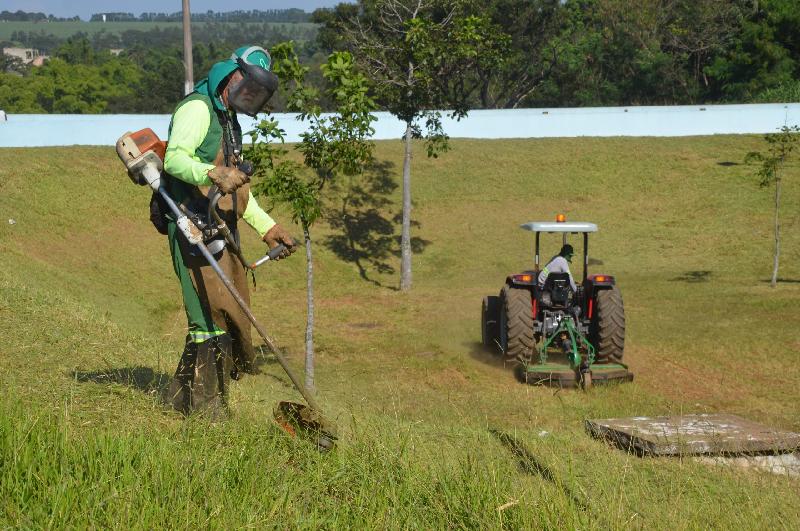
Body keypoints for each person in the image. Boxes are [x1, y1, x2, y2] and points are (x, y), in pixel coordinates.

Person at [162, 45, 297, 417]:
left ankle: (179, 400)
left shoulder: (229, 123)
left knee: (224, 317)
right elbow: (174, 158)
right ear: (230, 76)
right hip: (190, 223)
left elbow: (235, 192)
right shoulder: (197, 109)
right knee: (207, 318)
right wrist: (211, 172)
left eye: (258, 91)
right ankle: (208, 414)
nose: (250, 96)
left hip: (218, 227)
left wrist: (268, 228)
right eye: (248, 86)